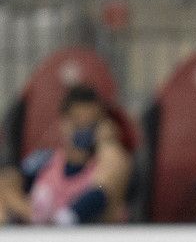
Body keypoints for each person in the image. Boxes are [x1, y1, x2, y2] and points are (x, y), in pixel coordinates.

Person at [0, 85, 132, 225]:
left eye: (90, 124)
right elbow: (8, 183)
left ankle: (66, 218)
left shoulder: (109, 162)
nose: (83, 130)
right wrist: (33, 214)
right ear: (63, 122)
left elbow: (113, 173)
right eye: (77, 123)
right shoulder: (45, 159)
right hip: (41, 236)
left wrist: (107, 141)